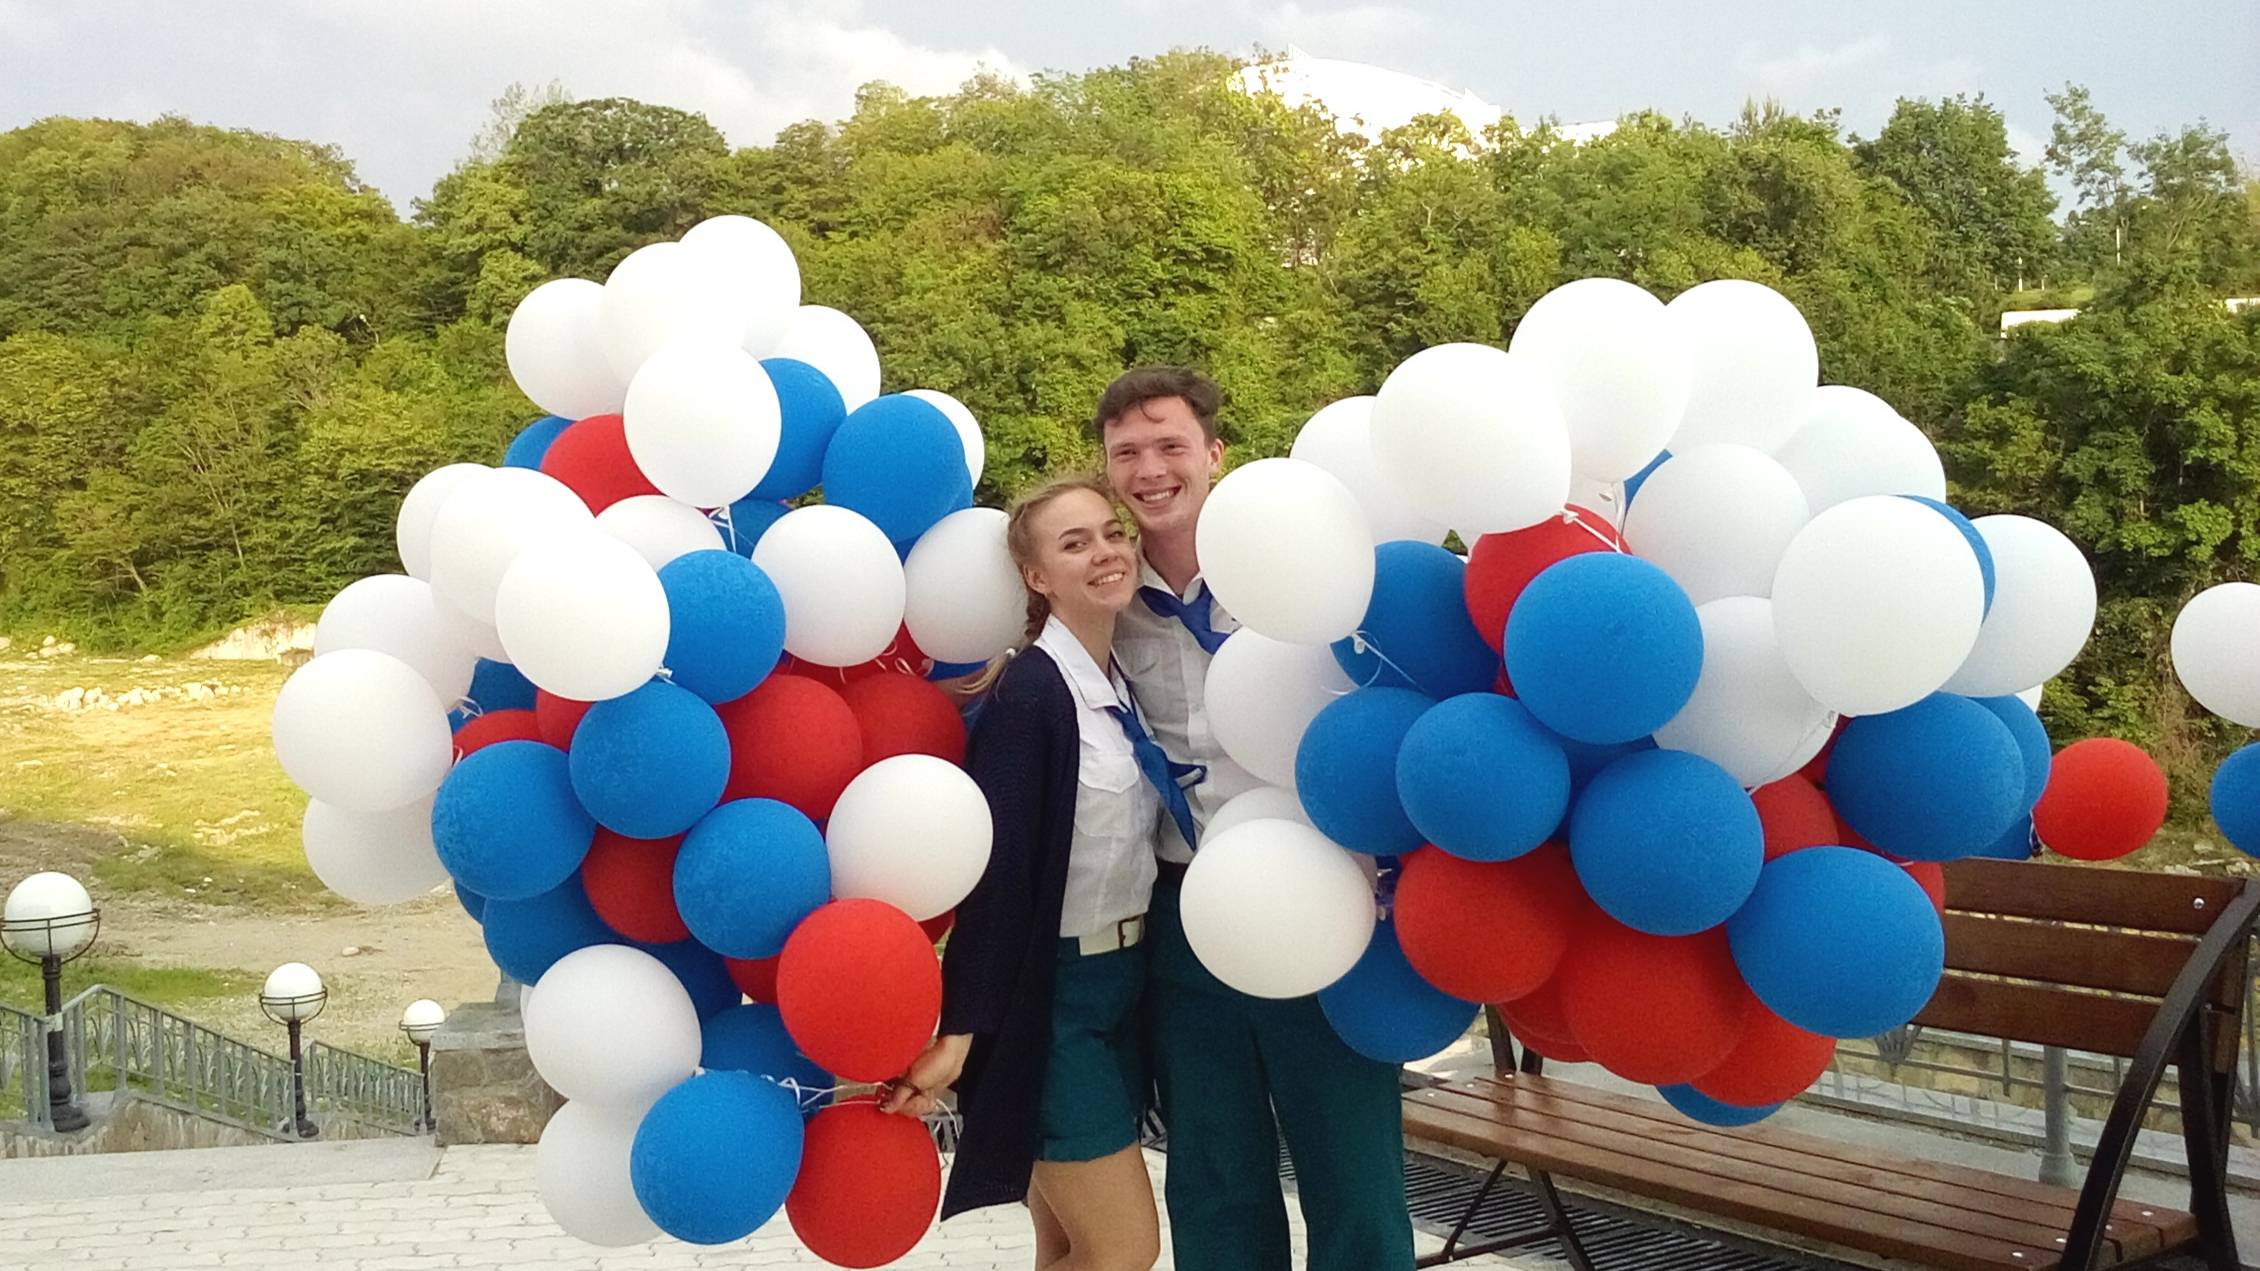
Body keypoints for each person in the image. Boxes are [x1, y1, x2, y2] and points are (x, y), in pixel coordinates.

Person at [1101, 367, 1416, 1271]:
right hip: (1185, 913)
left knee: (1354, 1179)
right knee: (1214, 1178)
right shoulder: (1105, 597)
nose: (1150, 470)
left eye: (1170, 445)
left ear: (1214, 454)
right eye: (1127, 452)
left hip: (1322, 899)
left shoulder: (1294, 568)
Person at [885, 476, 1166, 1271]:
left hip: (1122, 987)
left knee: (1066, 1246)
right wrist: (963, 1030)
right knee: (1124, 1250)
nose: (1105, 552)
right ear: (1037, 577)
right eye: (1075, 544)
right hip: (1055, 1003)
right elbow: (999, 878)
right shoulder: (1032, 696)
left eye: (1110, 532)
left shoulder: (1119, 683)